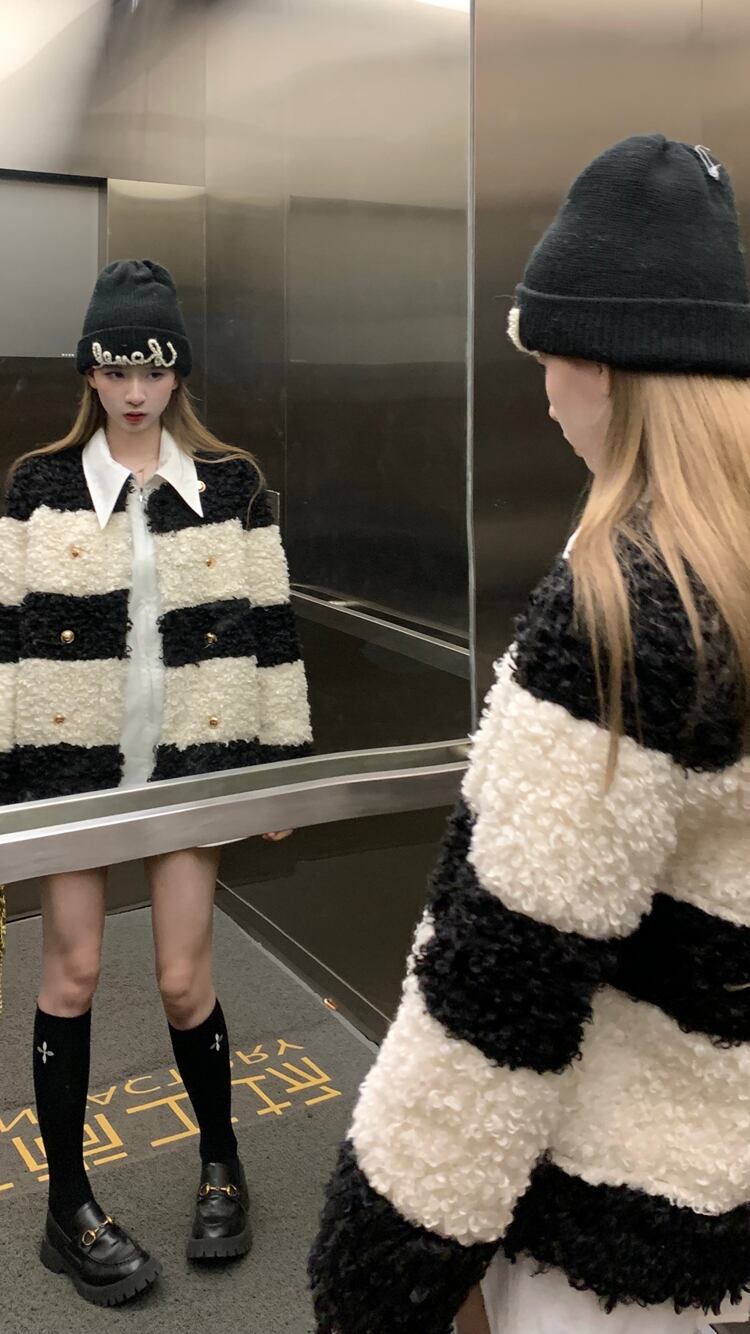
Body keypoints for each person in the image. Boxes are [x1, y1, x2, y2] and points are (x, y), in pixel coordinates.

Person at [307, 135, 750, 1333]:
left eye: (542, 353)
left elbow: (506, 983)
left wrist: (382, 1262)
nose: (543, 390)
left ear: (592, 357)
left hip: (600, 1226)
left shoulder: (619, 607)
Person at [0, 259, 312, 1305]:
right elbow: (5, 638)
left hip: (193, 759)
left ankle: (222, 1160)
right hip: (72, 768)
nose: (135, 391)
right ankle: (67, 1207)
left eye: (154, 369)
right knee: (73, 972)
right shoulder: (38, 485)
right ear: (88, 372)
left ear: (178, 373)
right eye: (116, 368)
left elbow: (272, 628)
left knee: (184, 977)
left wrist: (279, 771)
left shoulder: (232, 482)